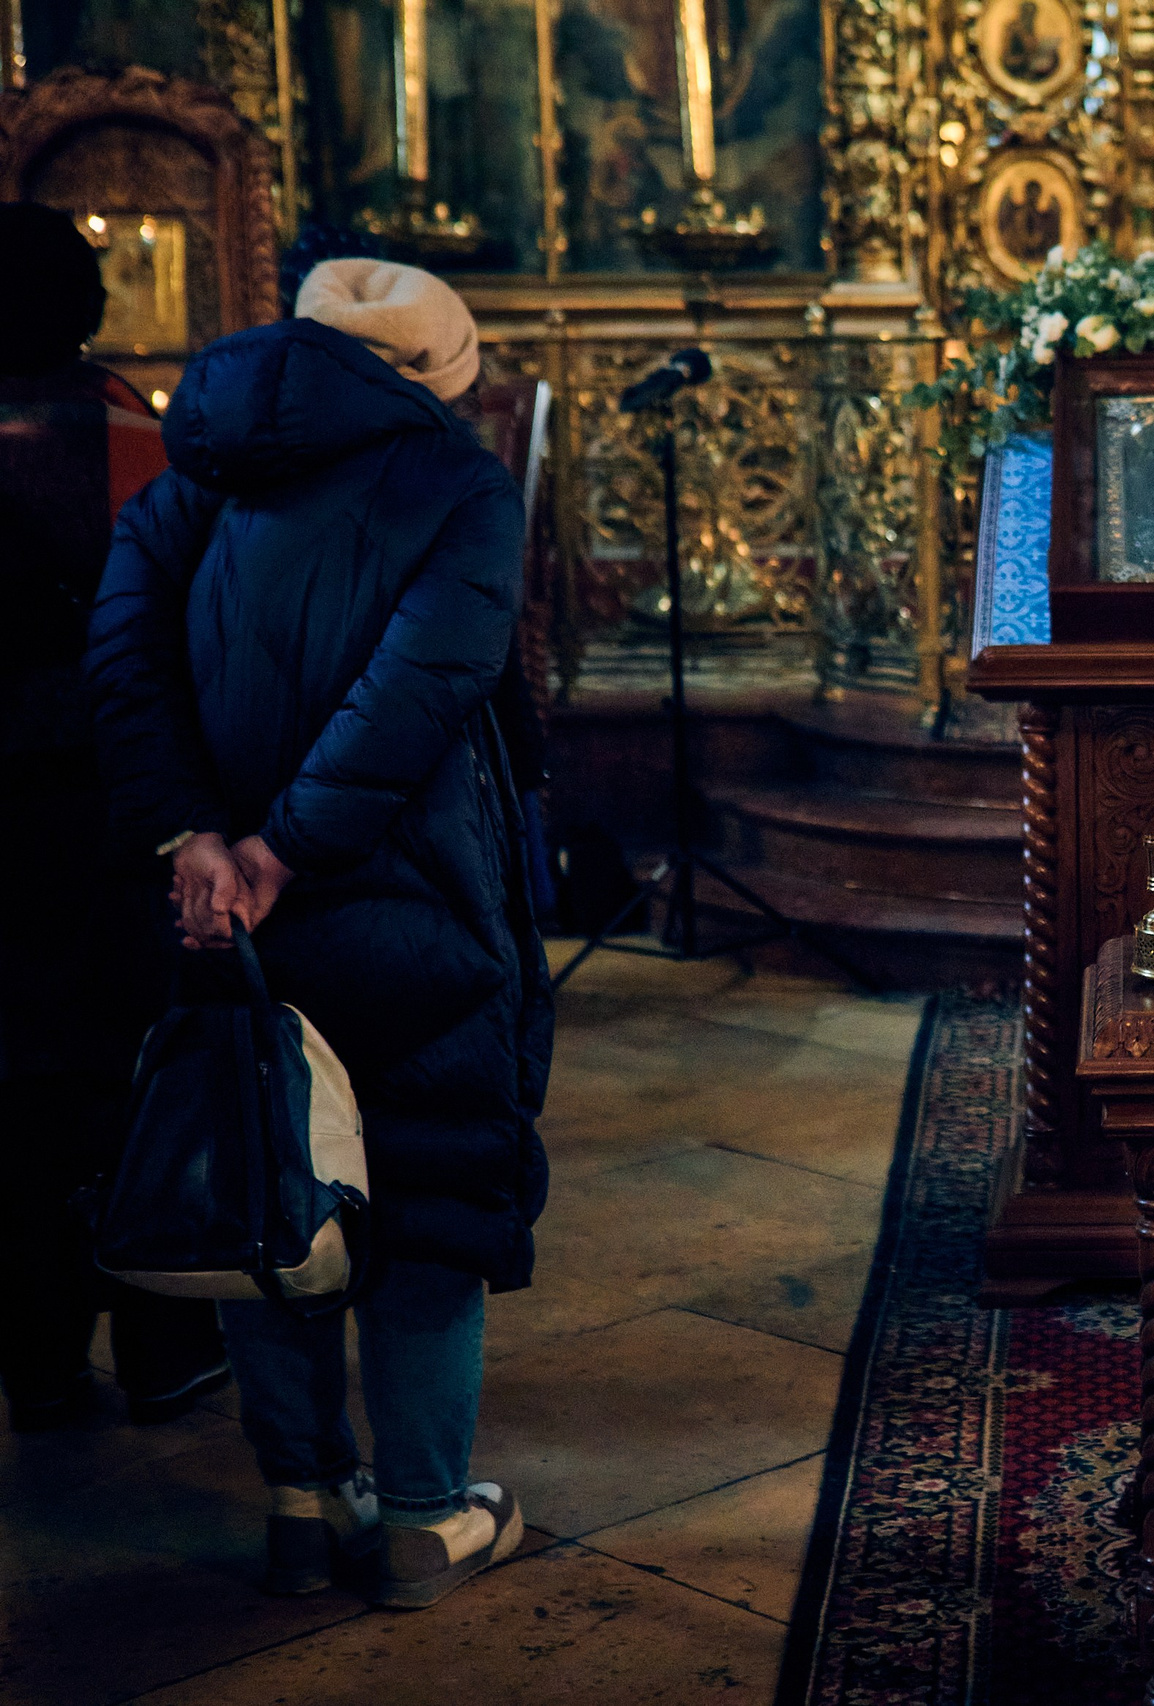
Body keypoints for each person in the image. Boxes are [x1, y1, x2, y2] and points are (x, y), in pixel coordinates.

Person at [85, 259, 553, 1605]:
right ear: (419, 378)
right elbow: (427, 680)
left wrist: (197, 840)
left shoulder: (187, 482)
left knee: (269, 1190)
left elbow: (124, 663)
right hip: (409, 896)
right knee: (426, 1198)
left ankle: (302, 1496)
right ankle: (420, 1515)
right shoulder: (455, 485)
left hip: (219, 912)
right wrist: (291, 845)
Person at [0, 202, 232, 1433]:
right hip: (112, 804)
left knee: (18, 1090)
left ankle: (35, 1356)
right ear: (88, 307)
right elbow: (187, 624)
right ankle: (163, 1341)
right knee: (147, 1074)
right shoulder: (132, 431)